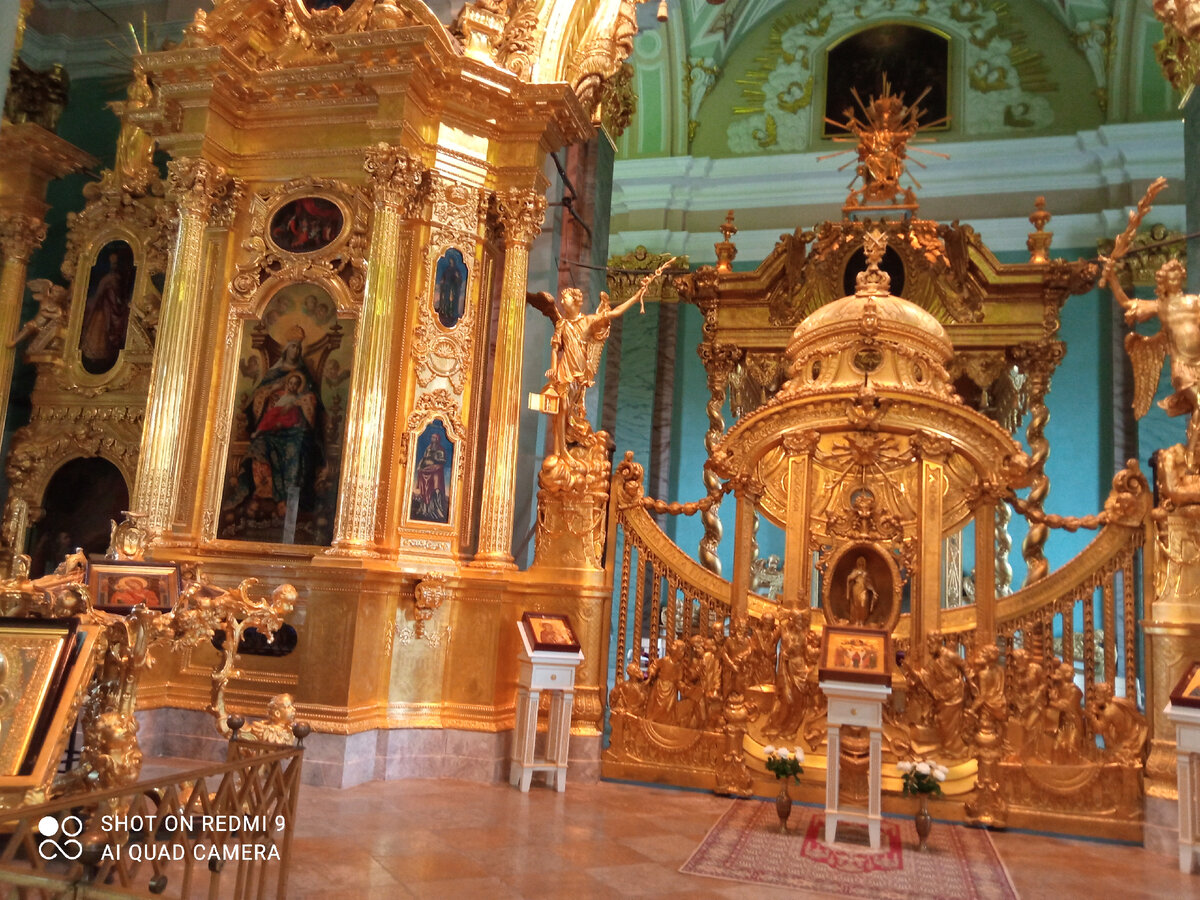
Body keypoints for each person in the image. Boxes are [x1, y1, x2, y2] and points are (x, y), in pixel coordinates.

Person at [79, 248, 133, 373]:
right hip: (103, 312)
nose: (114, 266)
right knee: (98, 333)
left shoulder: (118, 280)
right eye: (113, 264)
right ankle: (95, 357)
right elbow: (99, 294)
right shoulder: (107, 279)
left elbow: (118, 297)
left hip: (113, 309)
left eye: (116, 264)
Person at [411, 431, 449, 522]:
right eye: (431, 437)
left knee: (435, 489)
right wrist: (420, 466)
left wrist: (435, 458)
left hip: (436, 470)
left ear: (437, 439)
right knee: (425, 489)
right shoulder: (428, 448)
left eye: (433, 438)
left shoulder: (440, 449)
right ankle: (424, 509)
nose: (432, 439)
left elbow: (442, 460)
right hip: (426, 471)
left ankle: (436, 510)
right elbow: (424, 458)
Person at [846, 555, 878, 624]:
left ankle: (862, 620)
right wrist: (856, 574)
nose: (861, 565)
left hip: (863, 590)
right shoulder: (855, 571)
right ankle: (857, 620)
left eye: (862, 564)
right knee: (856, 605)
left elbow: (869, 583)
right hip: (856, 590)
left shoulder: (866, 573)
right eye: (859, 564)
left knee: (863, 605)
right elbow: (849, 578)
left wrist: (873, 591)